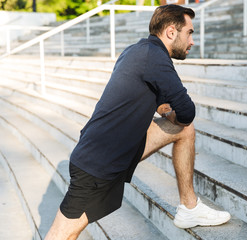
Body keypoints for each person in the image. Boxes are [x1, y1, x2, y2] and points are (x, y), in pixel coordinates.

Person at [45, 4, 230, 240]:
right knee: (62, 235)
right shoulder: (156, 58)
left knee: (183, 131)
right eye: (190, 33)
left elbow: (152, 99)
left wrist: (165, 111)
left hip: (111, 150)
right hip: (98, 163)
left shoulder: (137, 50)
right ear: (171, 32)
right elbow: (186, 111)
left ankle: (189, 208)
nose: (192, 41)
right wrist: (172, 114)